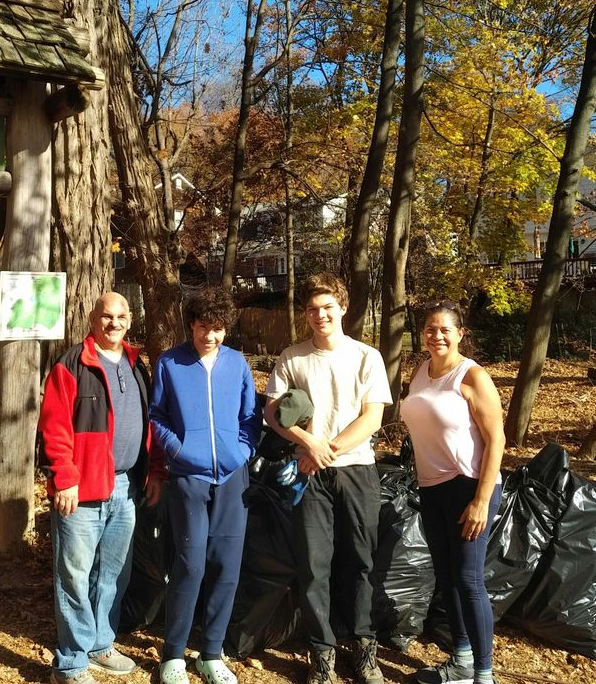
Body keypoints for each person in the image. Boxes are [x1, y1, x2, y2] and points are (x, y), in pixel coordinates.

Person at [264, 273, 391, 684]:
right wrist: (307, 442)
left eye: (327, 307)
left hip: (356, 471)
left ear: (343, 308)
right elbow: (272, 412)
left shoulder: (366, 357)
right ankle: (322, 653)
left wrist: (326, 450)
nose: (320, 315)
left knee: (361, 561)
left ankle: (364, 646)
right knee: (314, 565)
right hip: (309, 477)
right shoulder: (293, 358)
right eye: (312, 309)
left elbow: (373, 417)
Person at [38, 292, 165, 684]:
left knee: (113, 573)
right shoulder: (72, 364)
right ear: (93, 319)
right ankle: (72, 662)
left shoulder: (136, 364)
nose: (114, 323)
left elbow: (149, 424)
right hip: (80, 488)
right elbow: (54, 426)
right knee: (74, 576)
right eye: (107, 316)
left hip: (126, 487)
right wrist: (64, 477)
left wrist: (155, 471)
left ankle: (99, 643)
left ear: (130, 320)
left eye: (121, 316)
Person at [149, 288, 259, 684]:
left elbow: (250, 416)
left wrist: (241, 451)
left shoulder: (237, 363)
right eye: (202, 327)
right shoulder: (170, 363)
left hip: (232, 478)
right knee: (190, 564)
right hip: (188, 479)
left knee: (226, 567)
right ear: (191, 325)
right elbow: (157, 415)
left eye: (217, 329)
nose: (209, 336)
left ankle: (211, 653)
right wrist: (179, 450)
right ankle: (173, 655)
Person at [399, 301, 504, 684]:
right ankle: (461, 660)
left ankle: (484, 675)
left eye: (445, 329)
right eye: (430, 329)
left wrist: (481, 500)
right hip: (432, 488)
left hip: (468, 487)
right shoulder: (420, 371)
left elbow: (497, 441)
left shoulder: (473, 376)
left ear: (460, 333)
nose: (437, 336)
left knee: (468, 578)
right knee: (446, 577)